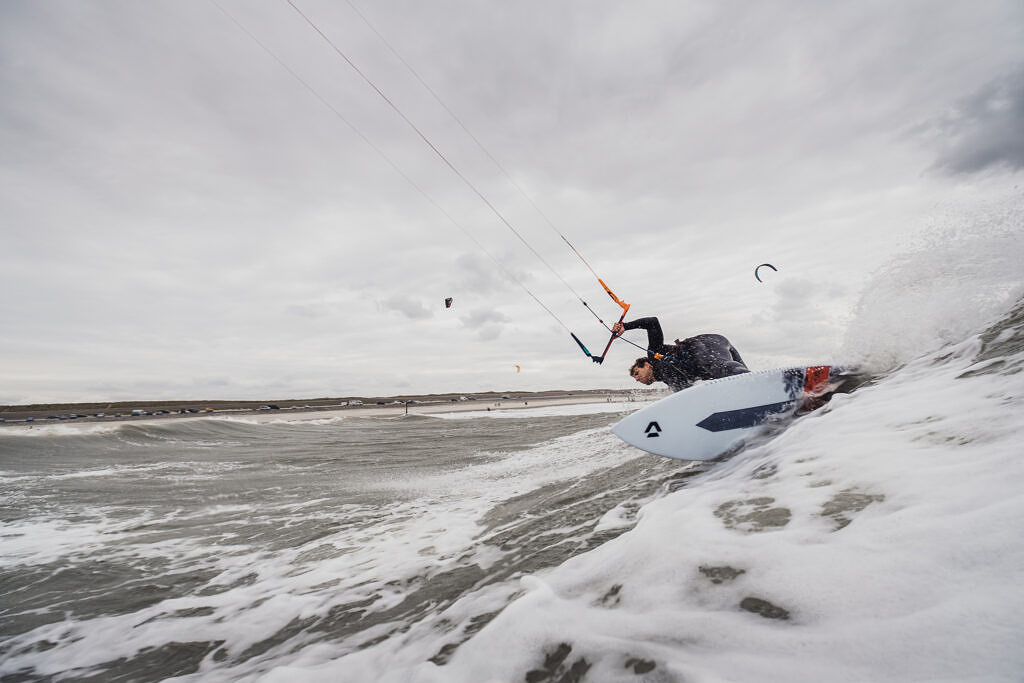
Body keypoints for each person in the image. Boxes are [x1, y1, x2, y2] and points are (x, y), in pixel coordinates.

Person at [611, 316, 749, 391]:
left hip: (702, 345)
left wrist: (625, 326)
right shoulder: (668, 380)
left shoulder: (654, 355)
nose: (636, 379)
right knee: (732, 381)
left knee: (720, 368)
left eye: (636, 373)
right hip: (720, 349)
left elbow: (652, 322)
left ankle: (749, 379)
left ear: (646, 365)